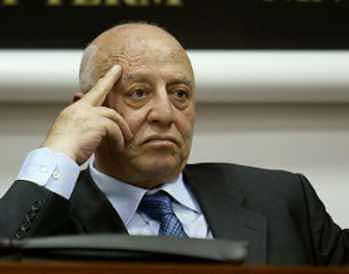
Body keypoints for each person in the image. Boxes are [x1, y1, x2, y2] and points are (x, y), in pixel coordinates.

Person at [0, 23, 349, 264]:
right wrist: (58, 152)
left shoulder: (282, 199)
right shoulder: (47, 220)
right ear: (88, 107)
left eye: (180, 94)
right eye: (138, 93)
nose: (165, 114)